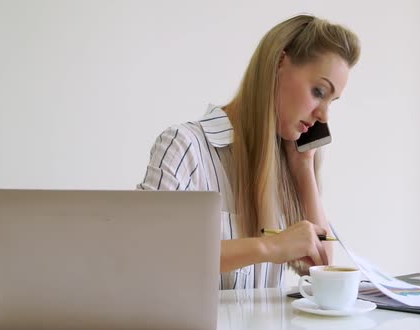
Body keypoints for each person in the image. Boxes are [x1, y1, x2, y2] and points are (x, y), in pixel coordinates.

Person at [137, 14, 360, 290]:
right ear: (279, 62)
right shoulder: (185, 147)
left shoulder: (288, 162)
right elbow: (146, 255)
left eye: (331, 101)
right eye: (318, 91)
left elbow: (322, 267)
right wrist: (268, 247)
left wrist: (304, 166)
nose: (324, 115)